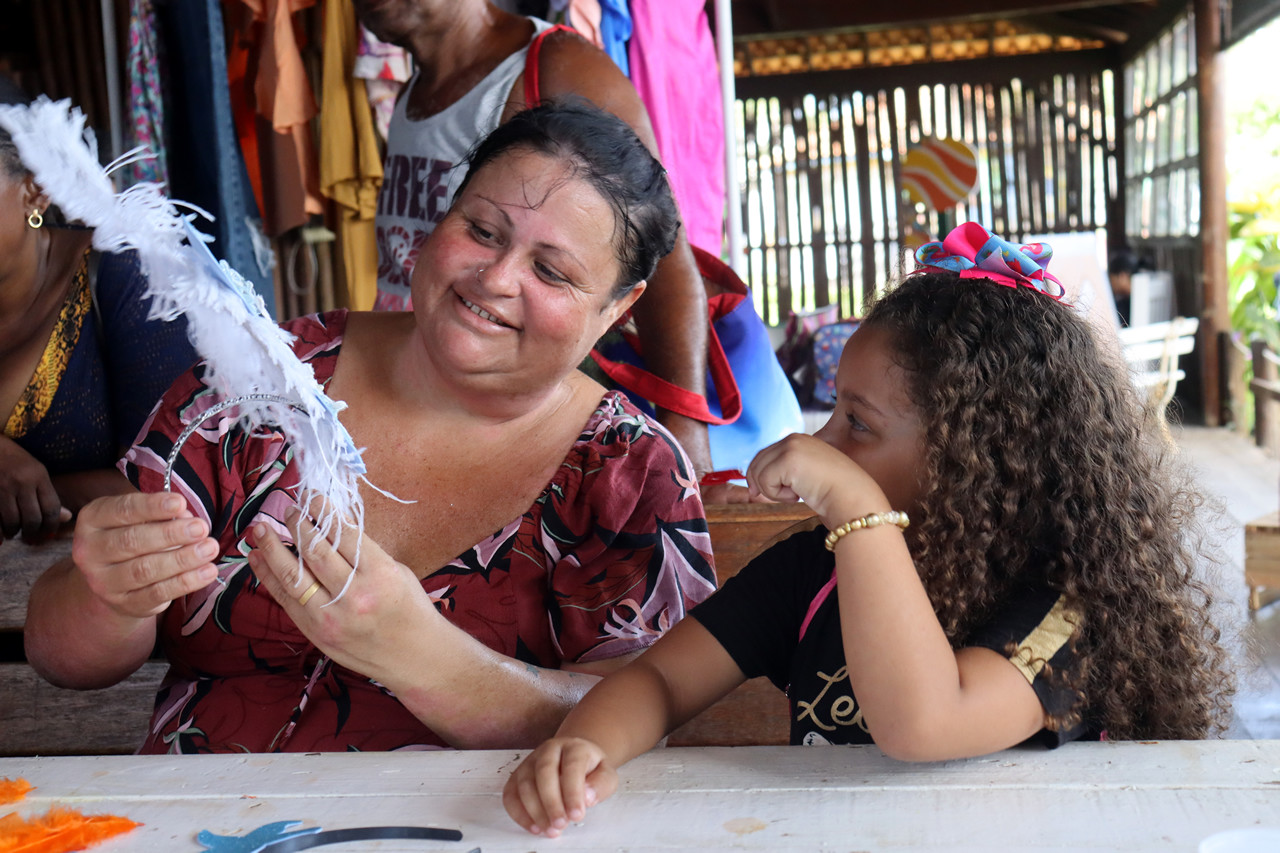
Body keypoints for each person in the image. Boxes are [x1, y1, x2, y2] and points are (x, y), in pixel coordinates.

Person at [23, 102, 717, 753]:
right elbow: (62, 655)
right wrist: (109, 593)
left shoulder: (629, 472)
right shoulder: (257, 380)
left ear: (618, 307)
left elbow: (648, 713)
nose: (497, 277)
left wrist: (432, 660)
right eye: (481, 231)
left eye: (551, 270)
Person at [502, 223, 1235, 838]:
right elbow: (661, 679)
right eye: (834, 412)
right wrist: (583, 745)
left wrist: (858, 507)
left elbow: (926, 721)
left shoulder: (1067, 605)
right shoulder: (813, 571)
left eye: (858, 423)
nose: (822, 441)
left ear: (981, 454)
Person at [355, 0, 726, 494]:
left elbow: (664, 259)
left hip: (512, 411)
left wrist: (685, 441)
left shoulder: (556, 65)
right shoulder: (414, 94)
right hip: (427, 391)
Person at [0, 82, 196, 541]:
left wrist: (37, 495)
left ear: (35, 193)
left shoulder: (124, 274)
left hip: (112, 595)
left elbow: (172, 485)